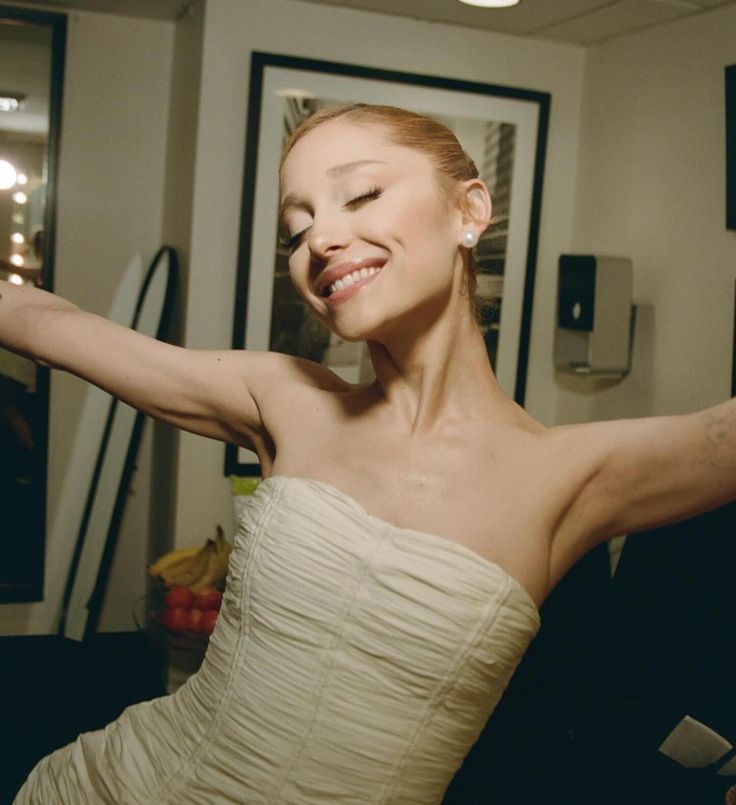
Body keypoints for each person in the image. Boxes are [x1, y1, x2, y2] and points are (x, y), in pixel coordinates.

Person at [6, 103, 735, 804]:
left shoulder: (566, 477)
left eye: (360, 194)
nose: (321, 240)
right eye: (297, 228)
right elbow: (46, 321)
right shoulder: (285, 399)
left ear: (469, 211)